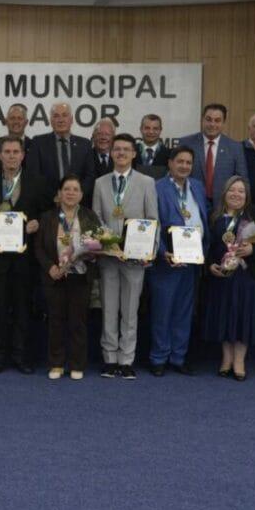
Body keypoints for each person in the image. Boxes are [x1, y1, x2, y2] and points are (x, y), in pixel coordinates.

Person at [0, 136, 50, 374]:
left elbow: (47, 214)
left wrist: (37, 223)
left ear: (23, 155)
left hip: (25, 257)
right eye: (6, 152)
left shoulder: (37, 182)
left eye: (15, 152)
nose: (11, 156)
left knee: (22, 308)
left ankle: (21, 356)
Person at [92, 133, 158, 380]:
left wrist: (148, 251)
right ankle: (109, 359)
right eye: (116, 149)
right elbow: (97, 220)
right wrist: (107, 245)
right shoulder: (100, 183)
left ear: (133, 154)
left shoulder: (146, 182)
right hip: (108, 258)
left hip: (135, 259)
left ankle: (126, 359)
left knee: (130, 311)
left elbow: (153, 220)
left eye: (125, 149)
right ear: (110, 153)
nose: (120, 153)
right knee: (109, 308)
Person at [150, 146, 209, 376]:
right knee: (162, 311)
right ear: (170, 164)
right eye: (180, 162)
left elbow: (203, 215)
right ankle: (158, 357)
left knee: (184, 311)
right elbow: (153, 223)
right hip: (168, 260)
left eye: (188, 162)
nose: (184, 166)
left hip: (193, 259)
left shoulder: (197, 186)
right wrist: (162, 251)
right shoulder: (158, 188)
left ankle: (178, 357)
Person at [34, 175, 100, 380]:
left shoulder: (90, 216)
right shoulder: (47, 217)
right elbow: (39, 248)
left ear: (81, 195)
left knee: (78, 322)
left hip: (80, 275)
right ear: (59, 193)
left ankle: (77, 364)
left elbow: (98, 244)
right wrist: (50, 267)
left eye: (75, 189)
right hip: (55, 276)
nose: (71, 193)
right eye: (67, 189)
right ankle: (56, 364)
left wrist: (92, 254)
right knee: (56, 321)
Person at [202, 176, 255, 381]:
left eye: (241, 191)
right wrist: (210, 264)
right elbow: (208, 246)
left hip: (246, 277)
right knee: (225, 316)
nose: (236, 194)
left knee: (242, 318)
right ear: (224, 193)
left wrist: (253, 249)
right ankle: (226, 359)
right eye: (232, 190)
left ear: (246, 196)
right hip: (222, 276)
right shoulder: (214, 217)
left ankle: (239, 361)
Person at [178, 103, 249, 208]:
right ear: (202, 120)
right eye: (208, 119)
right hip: (191, 205)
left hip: (224, 207)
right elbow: (176, 175)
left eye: (217, 120)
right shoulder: (186, 143)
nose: (212, 124)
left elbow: (242, 180)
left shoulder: (235, 147)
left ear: (223, 123)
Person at [27, 102, 93, 191]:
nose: (60, 120)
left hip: (78, 201)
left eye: (64, 115)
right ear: (51, 121)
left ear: (71, 119)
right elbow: (34, 175)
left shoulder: (85, 144)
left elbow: (90, 176)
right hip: (47, 202)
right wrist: (56, 197)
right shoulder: (38, 143)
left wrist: (77, 195)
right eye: (56, 116)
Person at [135, 113, 171, 178]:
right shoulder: (131, 152)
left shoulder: (169, 154)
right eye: (147, 128)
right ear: (141, 129)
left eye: (155, 129)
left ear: (160, 130)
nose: (151, 132)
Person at [87, 117, 116, 185]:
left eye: (107, 134)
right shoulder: (86, 157)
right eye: (99, 134)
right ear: (93, 137)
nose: (103, 137)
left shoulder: (119, 158)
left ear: (114, 138)